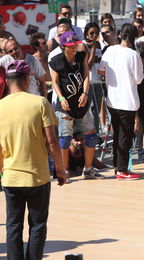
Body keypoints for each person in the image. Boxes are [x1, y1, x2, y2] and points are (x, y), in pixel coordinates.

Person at [0, 60, 67, 259]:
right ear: (28, 79)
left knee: (13, 226)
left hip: (11, 177)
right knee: (37, 226)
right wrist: (60, 169)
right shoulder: (40, 103)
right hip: (38, 177)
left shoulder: (0, 106)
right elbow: (52, 142)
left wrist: (2, 170)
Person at [49, 31, 104, 180]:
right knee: (65, 139)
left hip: (81, 104)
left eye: (75, 45)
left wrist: (85, 93)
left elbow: (86, 75)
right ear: (63, 46)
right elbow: (54, 81)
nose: (74, 48)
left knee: (91, 136)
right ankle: (65, 170)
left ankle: (88, 168)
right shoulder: (57, 61)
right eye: (71, 46)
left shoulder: (81, 56)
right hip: (66, 106)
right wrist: (61, 98)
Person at [98, 24, 143, 180]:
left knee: (118, 134)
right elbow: (138, 79)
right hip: (127, 101)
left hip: (113, 100)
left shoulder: (110, 50)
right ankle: (122, 170)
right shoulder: (133, 55)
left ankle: (118, 167)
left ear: (120, 35)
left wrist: (113, 76)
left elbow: (100, 70)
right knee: (125, 136)